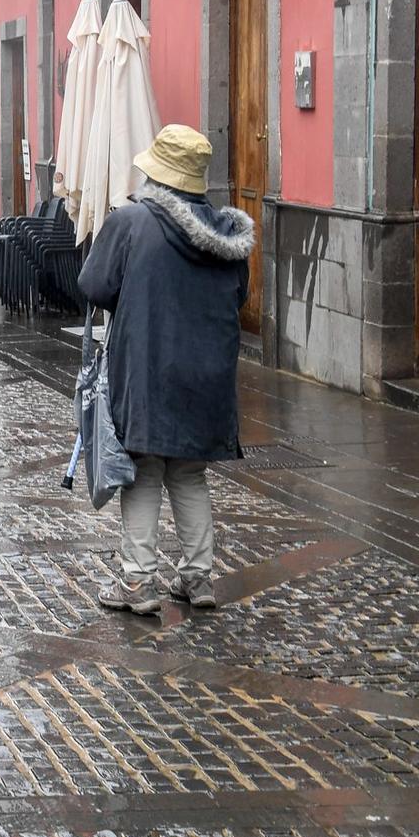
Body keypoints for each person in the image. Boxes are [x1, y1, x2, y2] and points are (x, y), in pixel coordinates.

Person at [80, 124, 253, 616]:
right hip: (209, 376)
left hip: (149, 367)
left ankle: (138, 582)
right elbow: (238, 296)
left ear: (156, 173)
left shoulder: (131, 222)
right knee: (190, 472)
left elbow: (93, 284)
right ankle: (198, 577)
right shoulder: (227, 237)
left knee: (144, 471)